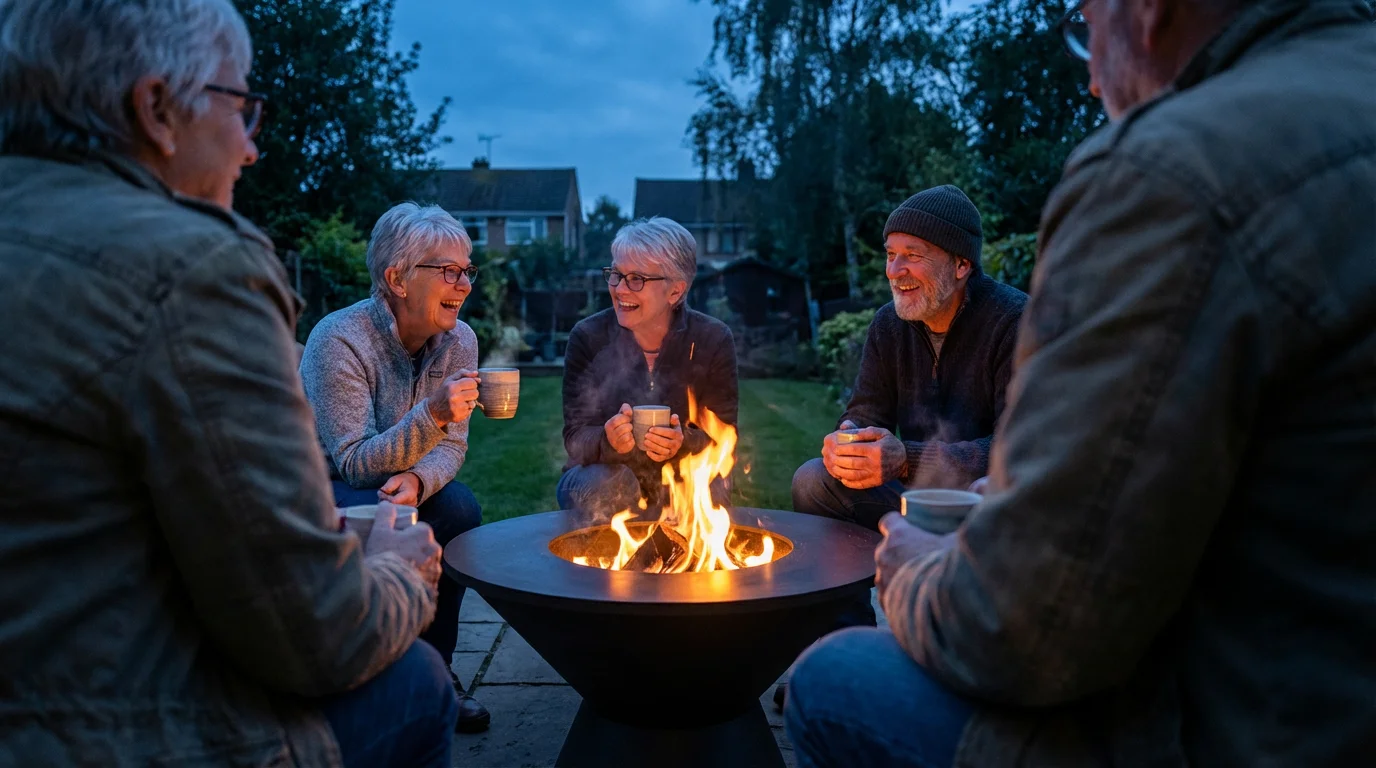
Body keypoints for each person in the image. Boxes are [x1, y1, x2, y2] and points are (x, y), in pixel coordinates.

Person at [785, 1, 1376, 766]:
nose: (1093, 78)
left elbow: (1033, 618)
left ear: (1147, 10)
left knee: (835, 679)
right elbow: (865, 410)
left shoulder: (1165, 175)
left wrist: (915, 581)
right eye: (889, 253)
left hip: (1243, 722)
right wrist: (851, 446)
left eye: (1086, 23)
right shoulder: (886, 328)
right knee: (810, 480)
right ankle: (836, 602)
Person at [0, 1, 459, 766]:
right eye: (241, 107)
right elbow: (317, 633)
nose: (250, 149)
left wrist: (419, 470)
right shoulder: (192, 268)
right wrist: (402, 578)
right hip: (99, 732)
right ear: (155, 108)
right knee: (417, 680)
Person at [299, 201, 491, 733]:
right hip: (328, 489)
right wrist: (431, 415)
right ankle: (370, 674)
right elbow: (354, 462)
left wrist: (417, 479)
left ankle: (437, 672)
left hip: (399, 483)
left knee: (457, 508)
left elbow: (452, 446)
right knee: (383, 520)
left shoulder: (460, 340)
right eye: (448, 271)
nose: (464, 284)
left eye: (467, 270)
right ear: (397, 279)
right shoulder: (338, 340)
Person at [557, 216, 738, 519]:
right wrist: (607, 440)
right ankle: (605, 564)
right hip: (601, 476)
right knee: (608, 484)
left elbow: (723, 433)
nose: (619, 289)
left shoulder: (712, 339)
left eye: (636, 279)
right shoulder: (589, 337)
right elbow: (575, 436)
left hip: (682, 477)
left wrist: (683, 442)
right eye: (616, 274)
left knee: (711, 486)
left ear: (675, 291)